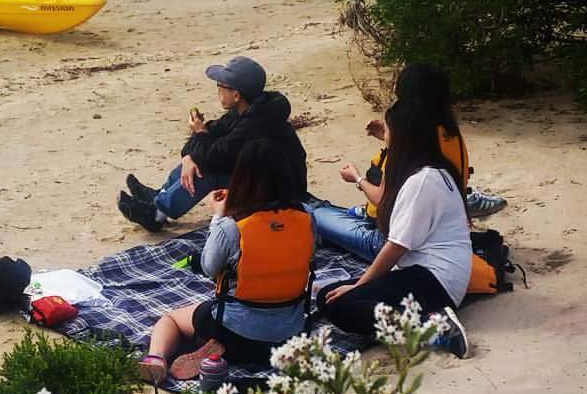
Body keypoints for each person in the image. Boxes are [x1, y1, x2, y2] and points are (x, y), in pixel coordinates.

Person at [136, 139, 315, 385]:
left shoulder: (232, 225)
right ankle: (224, 350)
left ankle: (156, 359)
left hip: (235, 331)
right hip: (291, 334)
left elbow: (210, 267)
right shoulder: (307, 216)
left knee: (171, 319)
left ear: (241, 177)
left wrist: (219, 216)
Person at [315, 99, 472, 357]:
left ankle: (431, 327)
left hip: (434, 281)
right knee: (329, 297)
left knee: (342, 303)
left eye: (387, 131)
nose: (383, 137)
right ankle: (426, 317)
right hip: (431, 276)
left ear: (401, 138)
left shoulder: (422, 181)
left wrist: (358, 286)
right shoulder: (432, 169)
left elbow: (395, 247)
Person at [311, 62, 501, 261]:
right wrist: (387, 135)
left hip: (391, 241)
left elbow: (382, 200)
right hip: (443, 230)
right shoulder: (450, 131)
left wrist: (357, 178)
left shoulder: (408, 149)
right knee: (341, 213)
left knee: (318, 214)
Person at [119, 55, 308, 232]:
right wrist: (188, 155)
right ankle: (159, 198)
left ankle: (157, 215)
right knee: (195, 160)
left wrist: (199, 134)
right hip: (259, 179)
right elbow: (212, 132)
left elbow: (215, 156)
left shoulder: (257, 123)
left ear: (236, 95)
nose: (217, 91)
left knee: (205, 171)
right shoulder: (247, 110)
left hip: (279, 193)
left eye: (220, 86)